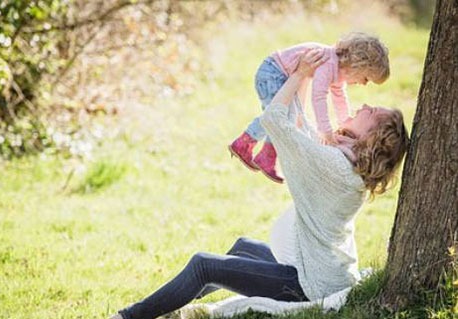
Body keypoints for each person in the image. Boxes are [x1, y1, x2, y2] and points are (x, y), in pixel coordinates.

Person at [110, 49, 409, 319]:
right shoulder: (345, 162)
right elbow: (303, 127)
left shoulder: (334, 167)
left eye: (371, 113)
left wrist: (298, 74)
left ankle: (128, 317)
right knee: (242, 247)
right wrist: (306, 78)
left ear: (372, 137)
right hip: (320, 273)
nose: (366, 104)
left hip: (308, 285)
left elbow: (275, 119)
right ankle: (170, 305)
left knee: (204, 265)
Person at [228, 32, 390, 183]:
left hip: (279, 75)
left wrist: (345, 122)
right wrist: (325, 130)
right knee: (278, 116)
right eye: (366, 79)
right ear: (358, 66)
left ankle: (266, 156)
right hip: (273, 73)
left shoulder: (338, 69)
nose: (363, 84)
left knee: (283, 118)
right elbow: (318, 97)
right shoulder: (328, 62)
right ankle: (245, 143)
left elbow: (339, 98)